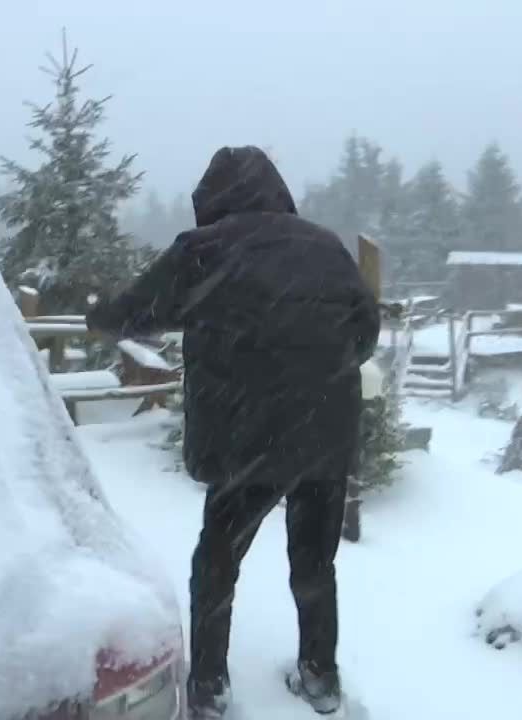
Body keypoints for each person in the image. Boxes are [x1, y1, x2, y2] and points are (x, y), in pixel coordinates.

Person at [86, 146, 380, 718]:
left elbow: (133, 313)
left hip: (249, 441)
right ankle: (320, 679)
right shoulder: (325, 246)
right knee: (315, 563)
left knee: (217, 562)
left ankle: (209, 690)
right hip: (324, 439)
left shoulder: (205, 250)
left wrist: (99, 315)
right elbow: (364, 333)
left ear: (214, 200)